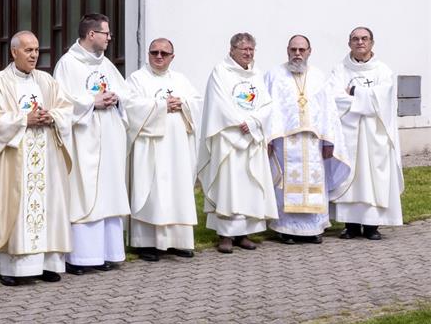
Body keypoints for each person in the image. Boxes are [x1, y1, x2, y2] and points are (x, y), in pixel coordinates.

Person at [0, 31, 73, 285]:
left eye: (36, 50)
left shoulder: (46, 80)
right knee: (16, 207)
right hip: (15, 157)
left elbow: (66, 108)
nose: (34, 55)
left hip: (46, 157)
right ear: (14, 52)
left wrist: (51, 116)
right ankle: (10, 268)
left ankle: (47, 264)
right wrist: (24, 120)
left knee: (48, 206)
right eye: (28, 50)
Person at [53, 14, 130, 273]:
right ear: (91, 34)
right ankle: (80, 258)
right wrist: (92, 102)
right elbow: (61, 101)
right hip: (83, 139)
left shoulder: (105, 64)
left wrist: (116, 98)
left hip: (108, 139)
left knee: (109, 192)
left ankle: (107, 253)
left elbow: (125, 93)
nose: (110, 38)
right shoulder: (68, 64)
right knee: (83, 193)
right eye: (106, 33)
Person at [197, 32, 279, 254]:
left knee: (249, 186)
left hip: (251, 138)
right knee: (229, 187)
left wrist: (252, 123)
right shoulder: (220, 72)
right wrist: (240, 123)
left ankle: (244, 234)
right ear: (232, 50)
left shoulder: (256, 73)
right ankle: (225, 235)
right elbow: (219, 104)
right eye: (244, 49)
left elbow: (267, 105)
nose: (248, 53)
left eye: (251, 49)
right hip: (229, 139)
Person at [264, 35, 350, 244]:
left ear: (309, 51)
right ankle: (286, 229)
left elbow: (328, 110)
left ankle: (314, 229)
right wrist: (268, 138)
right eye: (293, 49)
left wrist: (329, 141)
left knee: (314, 182)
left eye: (302, 50)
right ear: (287, 50)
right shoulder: (274, 75)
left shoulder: (319, 76)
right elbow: (266, 108)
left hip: (313, 142)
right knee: (285, 184)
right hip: (284, 141)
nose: (297, 54)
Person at [125, 38, 202, 261]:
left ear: (172, 57)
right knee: (152, 191)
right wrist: (161, 106)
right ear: (148, 54)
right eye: (154, 52)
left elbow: (197, 102)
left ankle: (179, 241)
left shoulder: (180, 80)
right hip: (150, 148)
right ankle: (146, 243)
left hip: (177, 149)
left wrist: (183, 104)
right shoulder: (137, 79)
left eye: (164, 53)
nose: (159, 56)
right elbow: (130, 107)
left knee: (177, 191)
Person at [327, 26, 404, 239]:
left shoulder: (383, 71)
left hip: (374, 137)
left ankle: (372, 227)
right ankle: (350, 226)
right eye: (355, 39)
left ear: (372, 42)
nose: (360, 42)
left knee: (373, 180)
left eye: (364, 38)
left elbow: (384, 99)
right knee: (349, 179)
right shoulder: (340, 70)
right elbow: (334, 98)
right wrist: (367, 98)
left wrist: (354, 92)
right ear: (349, 43)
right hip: (349, 135)